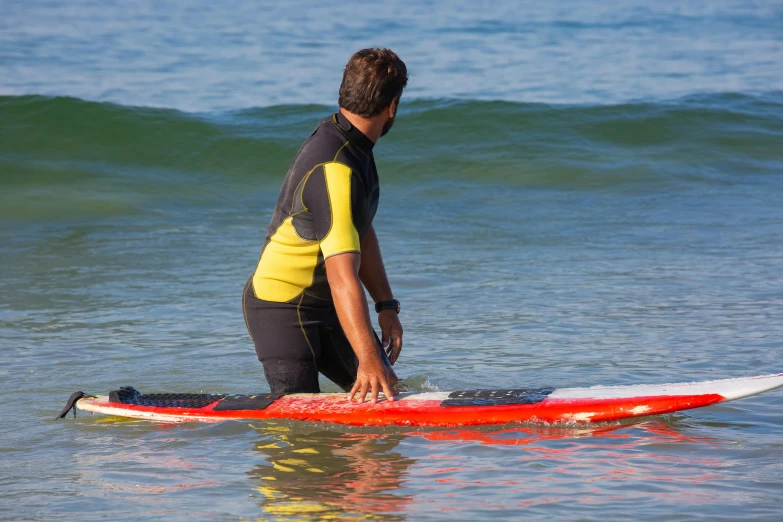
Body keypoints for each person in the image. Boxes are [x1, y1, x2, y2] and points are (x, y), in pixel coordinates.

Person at [243, 48, 408, 404]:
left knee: (387, 394)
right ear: (392, 105)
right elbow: (341, 274)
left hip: (328, 306)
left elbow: (358, 229)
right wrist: (367, 358)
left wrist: (386, 305)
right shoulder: (337, 167)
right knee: (300, 424)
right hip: (282, 305)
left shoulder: (351, 144)